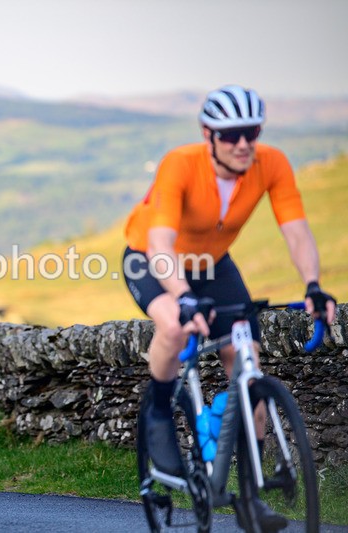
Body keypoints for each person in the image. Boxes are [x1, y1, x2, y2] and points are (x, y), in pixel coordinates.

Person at [122, 85, 336, 528]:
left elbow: (295, 229)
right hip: (151, 258)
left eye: (251, 133)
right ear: (209, 134)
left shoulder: (271, 163)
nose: (243, 144)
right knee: (176, 327)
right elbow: (160, 242)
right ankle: (160, 410)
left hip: (214, 264)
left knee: (248, 363)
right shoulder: (181, 164)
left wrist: (314, 285)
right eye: (231, 134)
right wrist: (181, 297)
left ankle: (249, 496)